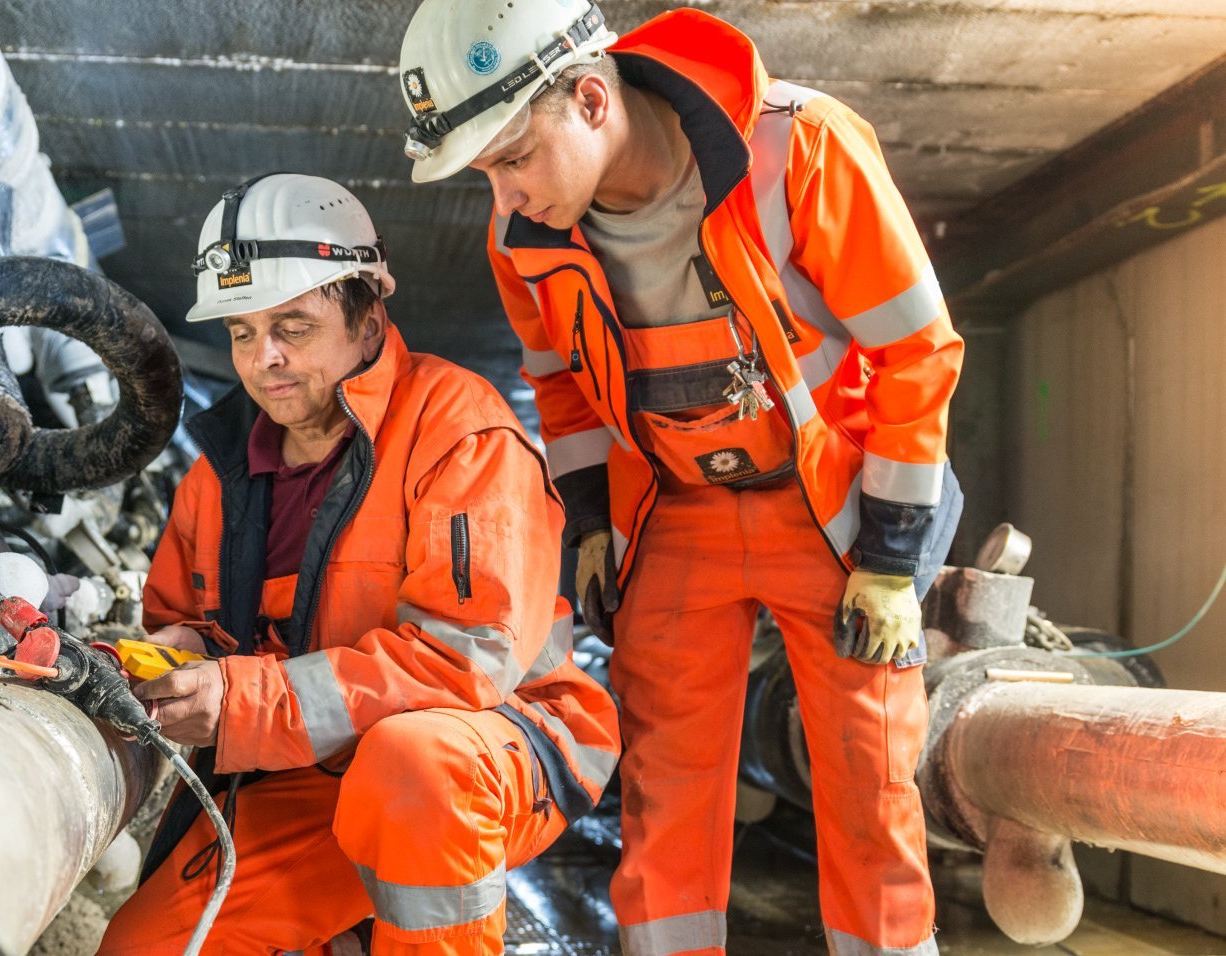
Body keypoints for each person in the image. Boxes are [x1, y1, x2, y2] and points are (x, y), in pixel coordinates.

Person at [396, 3, 965, 954]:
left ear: (588, 99)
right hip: (673, 512)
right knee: (663, 798)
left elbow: (916, 349)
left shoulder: (800, 149)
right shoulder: (522, 241)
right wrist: (588, 526)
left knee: (871, 787)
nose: (502, 195)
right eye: (485, 172)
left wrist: (892, 560)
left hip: (832, 514)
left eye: (510, 157)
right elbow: (563, 397)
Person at [98, 173, 620, 955]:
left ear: (369, 312)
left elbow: (461, 664)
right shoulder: (219, 474)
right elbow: (189, 623)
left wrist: (243, 703)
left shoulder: (458, 431)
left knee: (411, 764)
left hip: (490, 747)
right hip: (310, 766)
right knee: (146, 948)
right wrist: (182, 658)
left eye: (293, 327)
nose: (263, 359)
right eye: (241, 333)